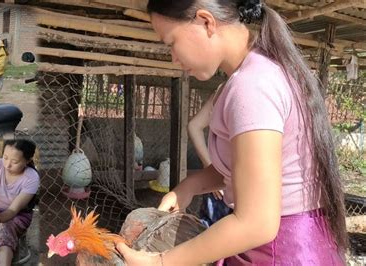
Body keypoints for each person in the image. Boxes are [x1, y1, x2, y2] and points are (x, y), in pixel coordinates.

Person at [117, 0, 347, 265]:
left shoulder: (252, 87)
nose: (173, 58)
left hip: (281, 252)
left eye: (171, 43)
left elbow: (257, 223)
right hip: (290, 244)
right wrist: (189, 187)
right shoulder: (257, 74)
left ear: (206, 22)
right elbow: (244, 171)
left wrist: (160, 261)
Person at [188, 90, 231, 227]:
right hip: (229, 184)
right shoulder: (225, 90)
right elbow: (193, 126)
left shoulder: (223, 89)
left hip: (222, 179)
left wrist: (211, 167)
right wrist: (211, 167)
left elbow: (194, 126)